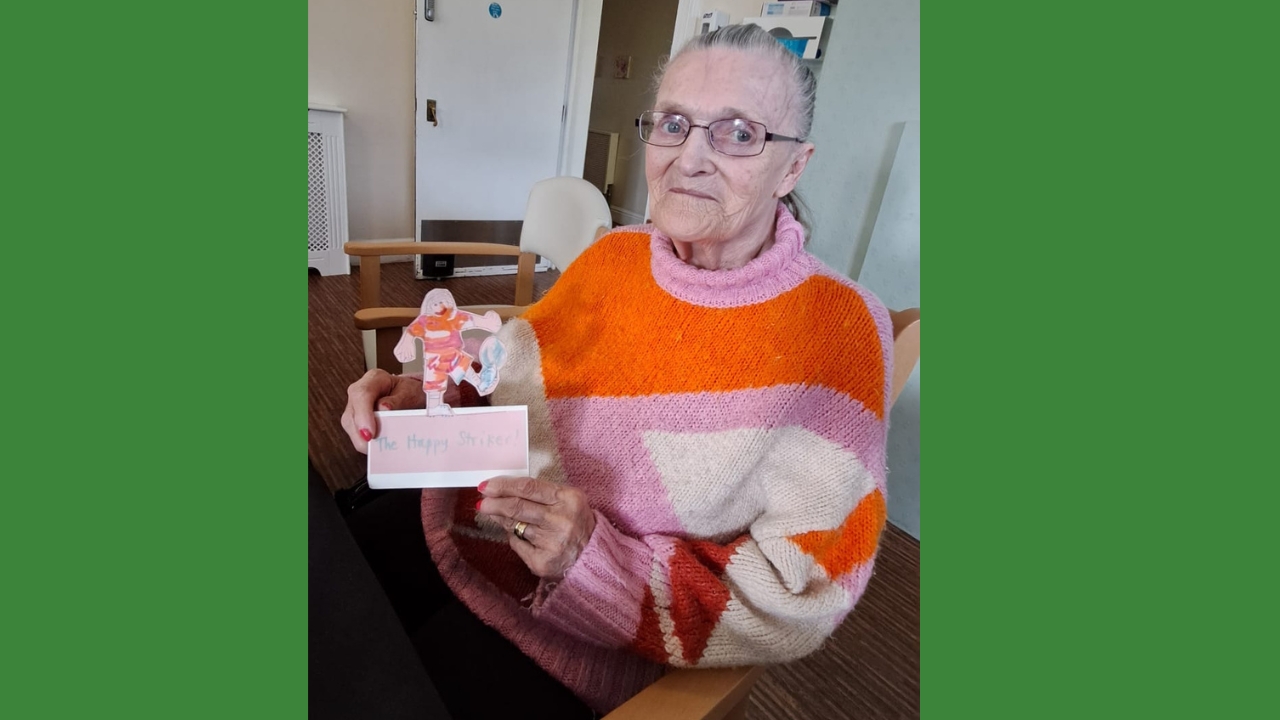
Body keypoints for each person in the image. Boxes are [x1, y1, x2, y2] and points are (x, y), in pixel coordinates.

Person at [333, 24, 894, 718]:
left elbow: (802, 594)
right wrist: (418, 397)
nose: (690, 158)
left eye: (740, 133)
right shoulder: (616, 257)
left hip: (580, 633)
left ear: (794, 166)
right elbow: (514, 369)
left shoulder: (837, 331)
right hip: (468, 514)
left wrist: (592, 563)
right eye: (674, 123)